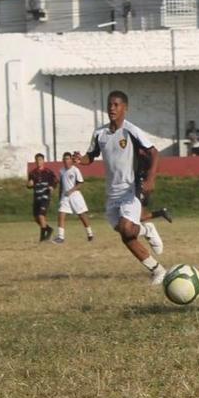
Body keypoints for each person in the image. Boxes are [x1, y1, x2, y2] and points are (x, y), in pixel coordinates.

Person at [74, 91, 167, 285]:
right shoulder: (100, 133)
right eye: (110, 104)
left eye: (116, 105)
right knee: (126, 235)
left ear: (125, 108)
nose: (112, 108)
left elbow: (154, 152)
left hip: (130, 189)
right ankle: (157, 268)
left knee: (126, 228)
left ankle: (148, 236)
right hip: (112, 192)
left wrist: (151, 179)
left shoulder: (131, 130)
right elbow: (91, 155)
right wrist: (81, 160)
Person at [53, 152, 94, 244]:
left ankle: (90, 234)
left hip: (75, 195)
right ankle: (60, 237)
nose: (66, 161)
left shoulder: (75, 170)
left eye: (67, 159)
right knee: (61, 214)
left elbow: (80, 183)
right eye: (64, 159)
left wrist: (71, 190)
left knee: (82, 215)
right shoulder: (61, 171)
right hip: (65, 196)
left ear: (71, 160)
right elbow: (61, 185)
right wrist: (60, 197)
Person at [136, 147, 173, 224]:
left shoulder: (143, 159)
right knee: (140, 217)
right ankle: (161, 212)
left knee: (137, 217)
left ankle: (151, 226)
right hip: (142, 186)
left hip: (141, 186)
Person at [27, 153, 57, 242]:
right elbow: (29, 184)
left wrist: (52, 187)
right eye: (37, 160)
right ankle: (48, 229)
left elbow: (55, 181)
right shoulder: (32, 173)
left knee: (41, 215)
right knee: (36, 218)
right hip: (37, 197)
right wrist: (29, 184)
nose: (38, 162)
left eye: (40, 160)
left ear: (43, 161)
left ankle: (43, 238)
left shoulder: (48, 172)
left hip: (45, 197)